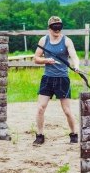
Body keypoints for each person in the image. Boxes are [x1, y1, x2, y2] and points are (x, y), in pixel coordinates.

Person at [33, 16, 80, 145]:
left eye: (60, 27)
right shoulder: (44, 40)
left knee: (67, 110)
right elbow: (36, 58)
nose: (58, 30)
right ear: (49, 28)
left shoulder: (67, 41)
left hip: (62, 79)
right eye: (55, 27)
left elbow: (74, 56)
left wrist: (76, 66)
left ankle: (73, 134)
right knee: (40, 108)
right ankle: (40, 135)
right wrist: (46, 60)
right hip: (47, 78)